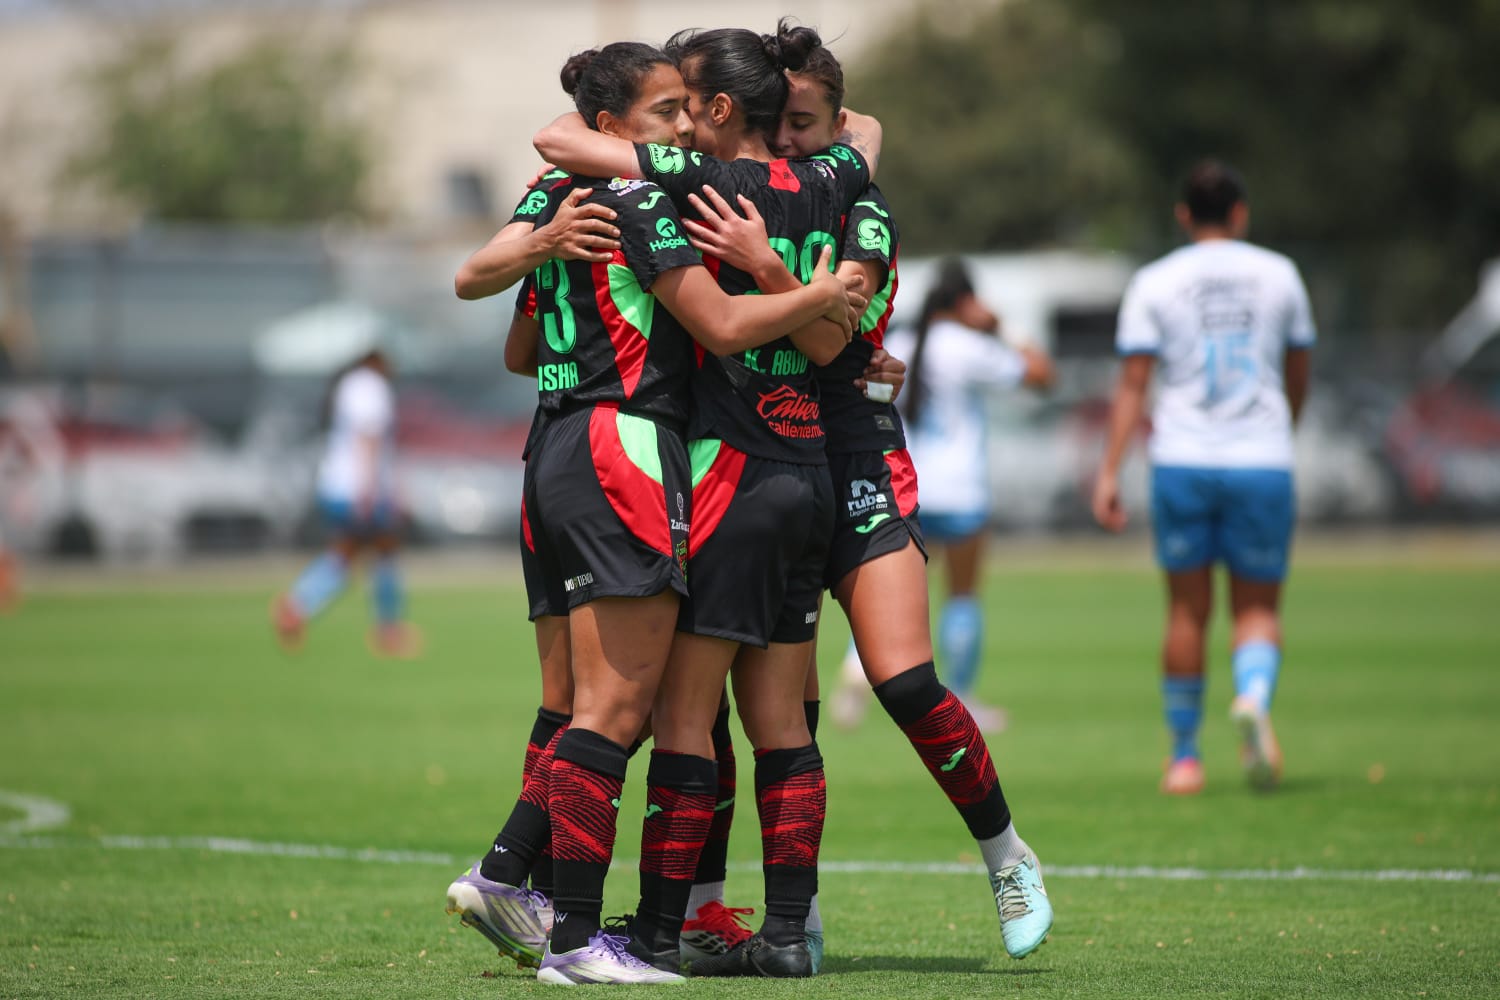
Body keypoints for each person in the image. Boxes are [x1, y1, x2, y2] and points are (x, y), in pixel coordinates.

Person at [447, 40, 858, 987]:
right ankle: (574, 936)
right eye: (664, 112)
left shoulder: (555, 196)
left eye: (687, 108)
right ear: (609, 128)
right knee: (623, 705)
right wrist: (814, 295)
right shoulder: (638, 199)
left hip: (550, 447)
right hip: (622, 444)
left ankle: (516, 876)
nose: (681, 127)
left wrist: (546, 259)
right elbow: (717, 324)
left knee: (582, 705)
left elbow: (504, 329)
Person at [684, 45, 1055, 966]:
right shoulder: (740, 189)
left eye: (803, 127)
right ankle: (786, 915)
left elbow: (838, 334)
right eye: (775, 126)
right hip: (771, 459)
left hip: (857, 455)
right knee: (781, 709)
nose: (785, 143)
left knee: (904, 681)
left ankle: (1007, 854)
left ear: (839, 130)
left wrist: (775, 272)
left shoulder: (861, 207)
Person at [1091, 159, 1314, 795]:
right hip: (1262, 458)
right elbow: (1299, 372)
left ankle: (1185, 758)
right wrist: (1282, 428)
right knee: (1258, 609)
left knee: (1187, 612)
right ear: (1241, 213)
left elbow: (1134, 385)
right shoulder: (1281, 275)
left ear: (1183, 215)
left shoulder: (1155, 281)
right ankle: (1252, 695)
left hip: (1182, 460)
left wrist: (1109, 470)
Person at [843, 260, 1054, 733]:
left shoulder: (899, 343)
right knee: (962, 596)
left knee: (885, 595)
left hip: (907, 487)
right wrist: (1006, 328)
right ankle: (963, 696)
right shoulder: (969, 346)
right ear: (965, 302)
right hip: (961, 491)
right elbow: (1042, 375)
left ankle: (856, 672)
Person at [271, 347, 420, 658]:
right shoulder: (371, 386)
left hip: (337, 485)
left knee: (345, 554)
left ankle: (296, 606)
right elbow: (369, 437)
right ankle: (388, 631)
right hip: (358, 489)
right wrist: (369, 490)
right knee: (384, 551)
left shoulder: (349, 384)